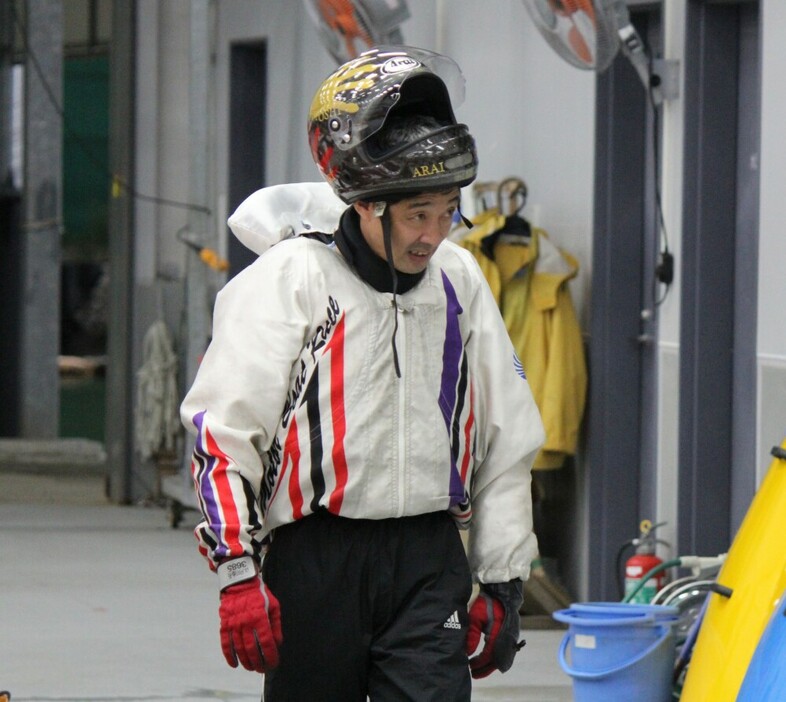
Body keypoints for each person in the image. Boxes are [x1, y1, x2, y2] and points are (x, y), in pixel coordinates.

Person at [180, 45, 545, 701]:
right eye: (416, 215)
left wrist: (501, 576)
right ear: (365, 205)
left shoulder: (458, 282)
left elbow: (506, 436)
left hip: (428, 557)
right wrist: (238, 573)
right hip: (316, 559)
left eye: (447, 210)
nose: (434, 235)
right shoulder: (289, 284)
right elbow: (223, 432)